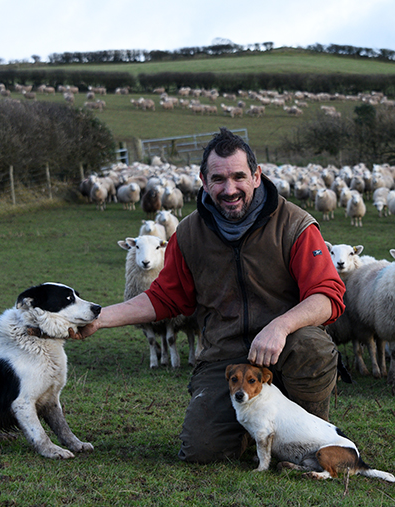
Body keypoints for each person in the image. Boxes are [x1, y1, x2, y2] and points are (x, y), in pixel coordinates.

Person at [73, 127, 345, 463]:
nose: (229, 189)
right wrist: (100, 319)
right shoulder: (188, 233)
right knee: (201, 451)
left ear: (257, 176)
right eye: (218, 179)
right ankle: (244, 428)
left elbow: (328, 295)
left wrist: (281, 326)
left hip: (287, 348)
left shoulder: (294, 224)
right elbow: (165, 297)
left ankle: (309, 434)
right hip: (225, 355)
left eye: (238, 177)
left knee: (311, 346)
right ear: (203, 180)